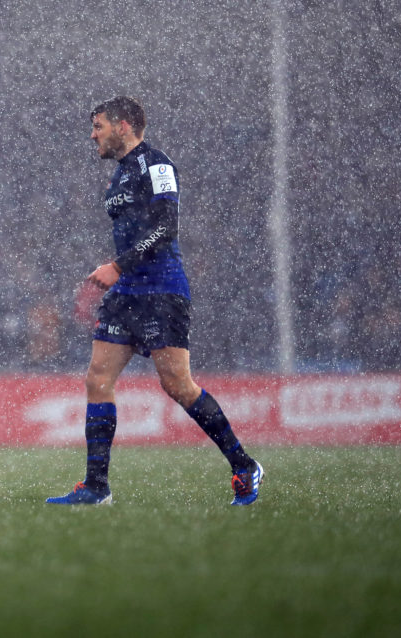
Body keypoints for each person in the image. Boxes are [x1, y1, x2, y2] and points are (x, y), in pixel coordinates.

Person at [46, 96, 264, 506]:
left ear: (123, 126)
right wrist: (121, 271)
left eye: (98, 126)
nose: (92, 134)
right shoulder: (120, 174)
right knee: (97, 380)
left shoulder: (157, 165)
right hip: (127, 291)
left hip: (162, 288)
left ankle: (243, 464)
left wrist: (118, 264)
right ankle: (96, 486)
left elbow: (166, 228)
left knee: (178, 386)